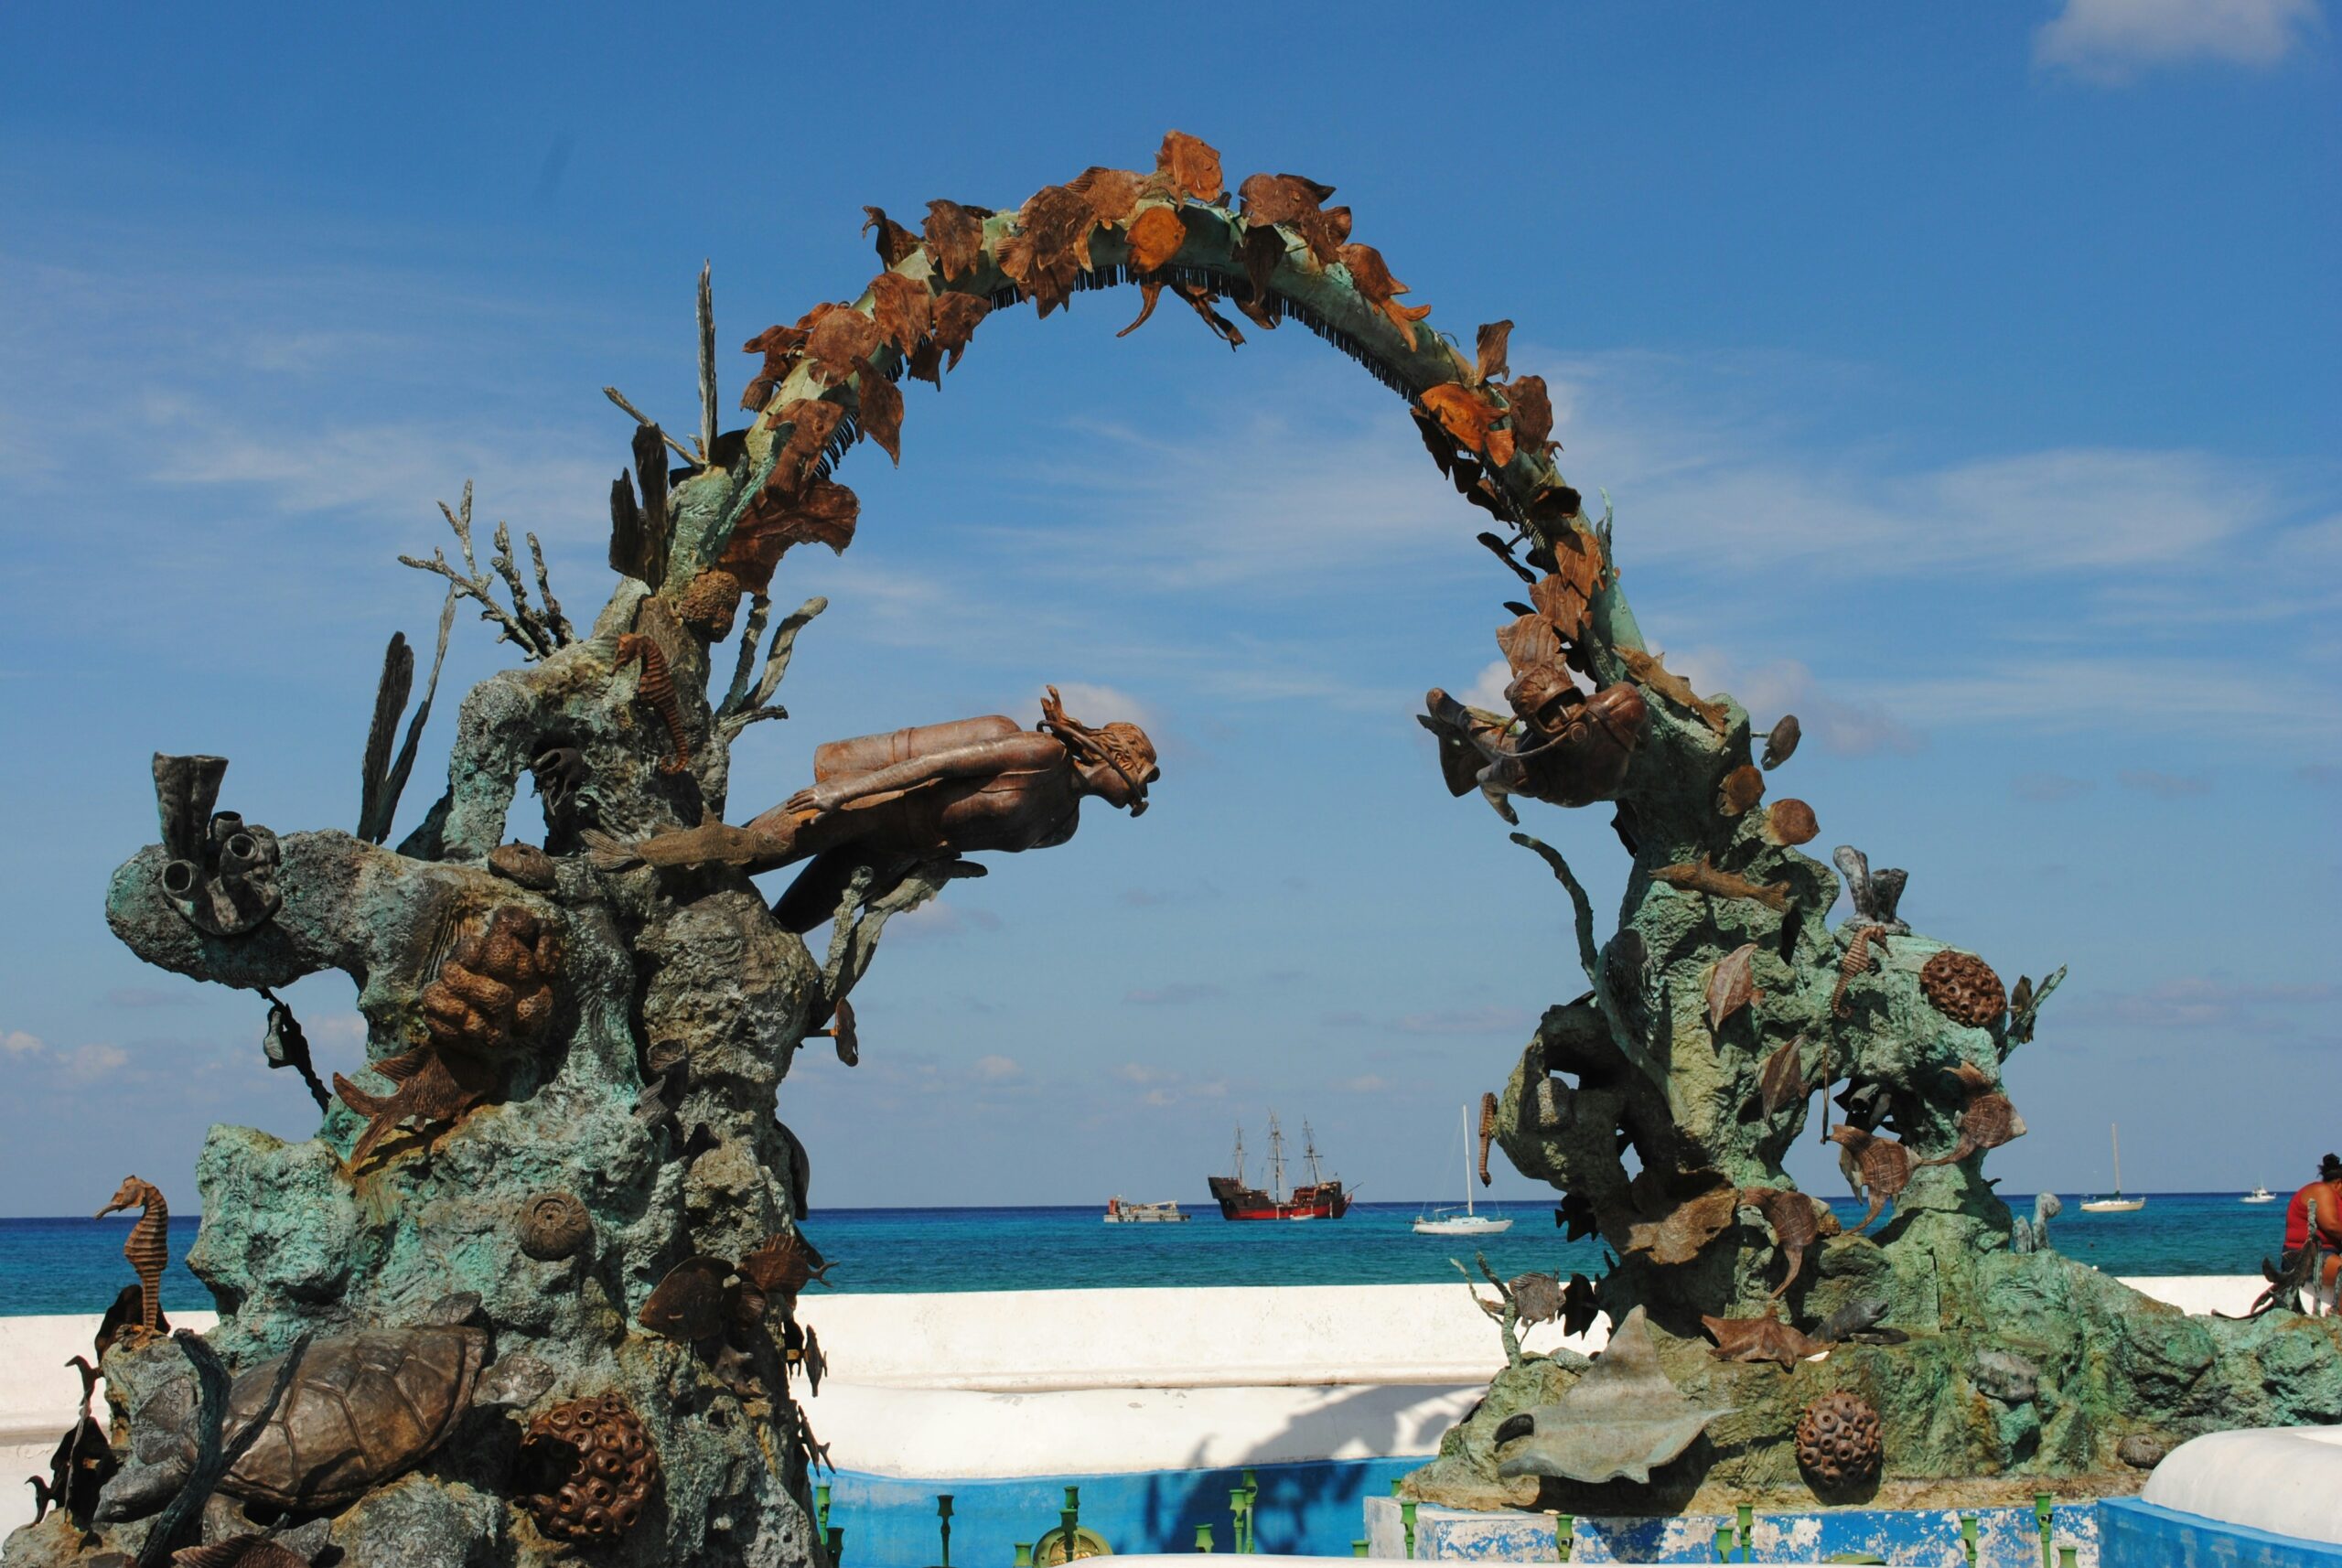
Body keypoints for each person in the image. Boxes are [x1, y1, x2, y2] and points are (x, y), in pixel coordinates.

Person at [588, 686, 1159, 931]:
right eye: (1140, 775)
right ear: (1115, 757)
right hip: (870, 804)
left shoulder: (1063, 829)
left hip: (892, 854)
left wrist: (935, 870)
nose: (1141, 791)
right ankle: (627, 857)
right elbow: (939, 768)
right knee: (753, 850)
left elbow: (966, 831)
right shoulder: (1039, 753)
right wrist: (844, 793)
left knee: (787, 925)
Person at [2282, 1154, 2342, 1316]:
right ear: (2339, 1183)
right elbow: (2333, 1226)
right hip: (2304, 1258)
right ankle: (2336, 1316)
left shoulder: (2337, 1199)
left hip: (2327, 1256)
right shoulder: (2321, 1190)